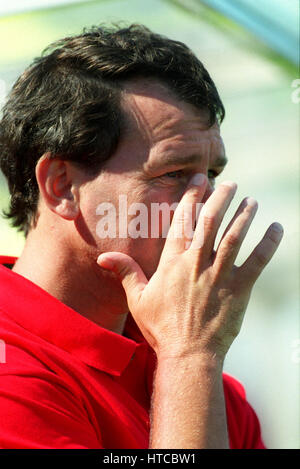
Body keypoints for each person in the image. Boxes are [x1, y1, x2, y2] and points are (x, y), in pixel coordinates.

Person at [0, 24, 283, 449]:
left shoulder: (208, 386)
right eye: (172, 174)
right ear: (61, 186)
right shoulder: (13, 376)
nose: (206, 200)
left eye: (213, 174)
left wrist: (188, 360)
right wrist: (189, 358)